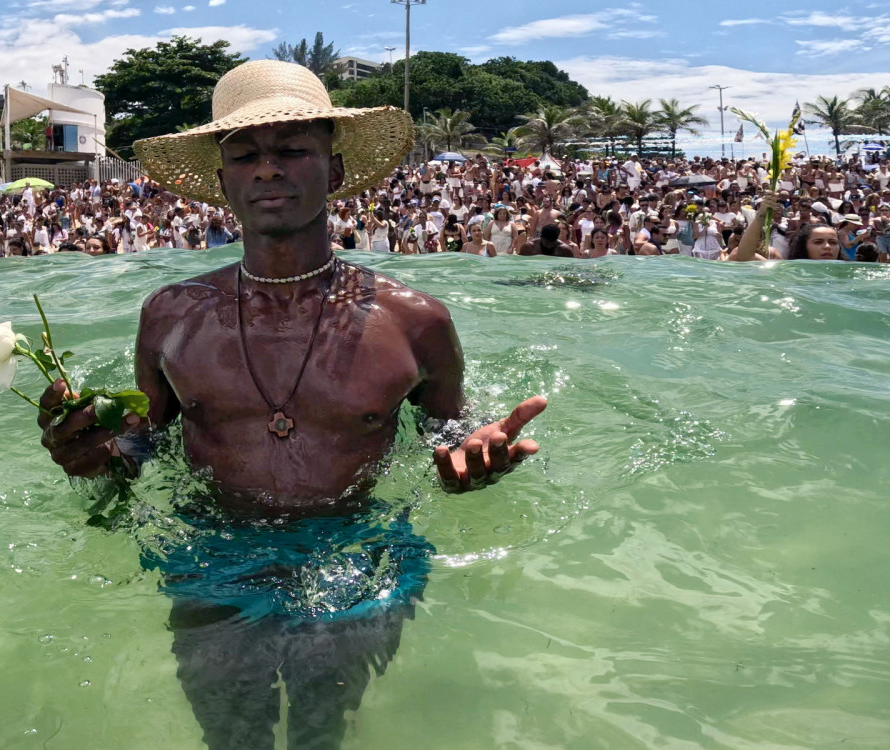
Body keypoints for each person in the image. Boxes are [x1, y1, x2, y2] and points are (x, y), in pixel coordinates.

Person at [39, 60, 546, 750]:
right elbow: (140, 445)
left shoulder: (414, 321)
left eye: (291, 151)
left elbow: (448, 434)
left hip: (358, 550)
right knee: (233, 734)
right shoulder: (171, 315)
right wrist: (94, 456)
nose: (267, 170)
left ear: (334, 173)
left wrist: (470, 458)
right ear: (223, 185)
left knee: (320, 729)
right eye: (245, 156)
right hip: (213, 552)